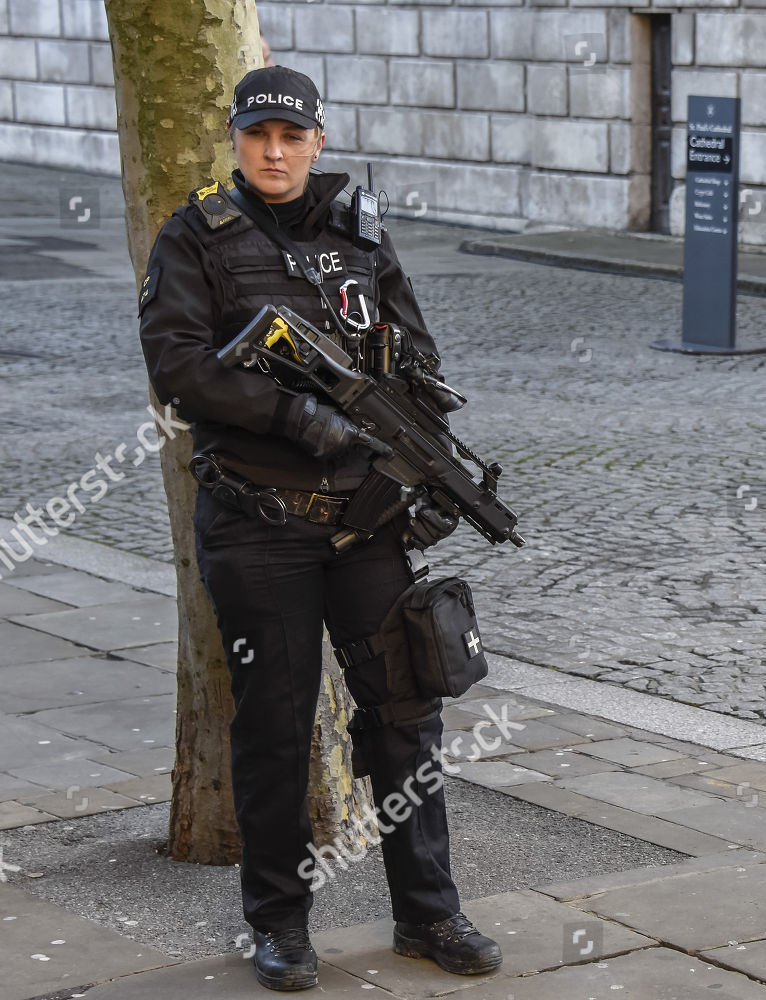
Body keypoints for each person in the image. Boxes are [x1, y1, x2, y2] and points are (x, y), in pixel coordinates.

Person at [137, 66, 502, 991]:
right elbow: (180, 367)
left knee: (406, 716)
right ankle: (281, 926)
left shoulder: (362, 240)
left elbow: (416, 362)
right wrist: (297, 417)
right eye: (259, 134)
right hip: (260, 527)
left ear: (318, 142)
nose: (275, 151)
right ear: (236, 138)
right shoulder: (195, 238)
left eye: (292, 137)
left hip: (364, 526)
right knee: (274, 726)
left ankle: (428, 914)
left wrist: (429, 477)